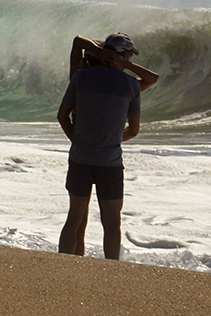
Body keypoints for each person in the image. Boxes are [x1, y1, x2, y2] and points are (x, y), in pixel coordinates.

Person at [57, 33, 149, 260]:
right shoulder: (130, 84)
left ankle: (61, 266)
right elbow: (134, 130)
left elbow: (62, 116)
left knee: (75, 216)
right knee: (111, 221)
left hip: (80, 156)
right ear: (126, 56)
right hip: (110, 161)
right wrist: (112, 139)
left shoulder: (80, 77)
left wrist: (77, 140)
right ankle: (111, 270)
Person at [69, 35, 160, 90]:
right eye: (130, 55)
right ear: (125, 56)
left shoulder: (79, 77)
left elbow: (78, 41)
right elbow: (153, 79)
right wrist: (126, 64)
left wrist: (99, 52)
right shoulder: (122, 85)